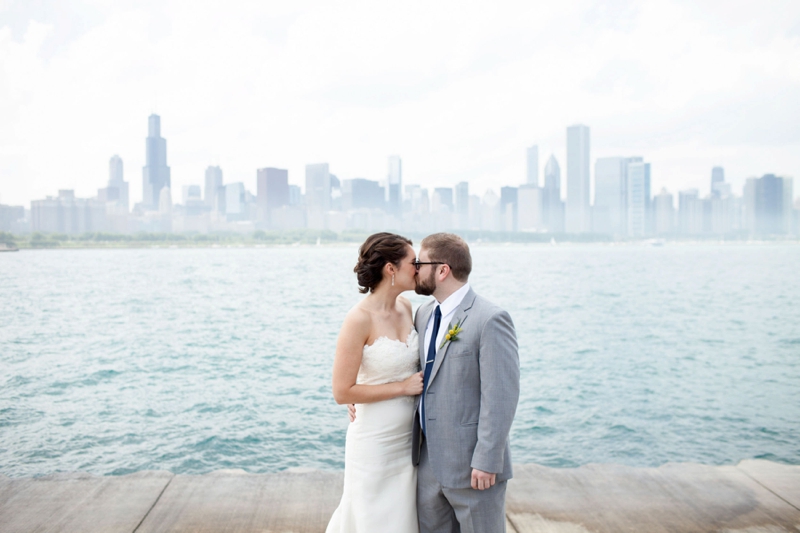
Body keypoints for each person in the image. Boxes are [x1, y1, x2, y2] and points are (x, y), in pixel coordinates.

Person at [412, 232, 520, 533]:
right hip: (428, 466)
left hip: (474, 468)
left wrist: (487, 460)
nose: (415, 269)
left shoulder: (490, 319)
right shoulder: (423, 315)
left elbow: (501, 396)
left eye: (420, 262)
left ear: (442, 270)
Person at [326, 232, 424, 533]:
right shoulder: (358, 319)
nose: (419, 268)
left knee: (403, 519)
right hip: (374, 441)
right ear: (391, 269)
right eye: (413, 262)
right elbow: (342, 392)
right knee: (372, 519)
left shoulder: (407, 307)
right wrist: (401, 388)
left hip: (410, 440)